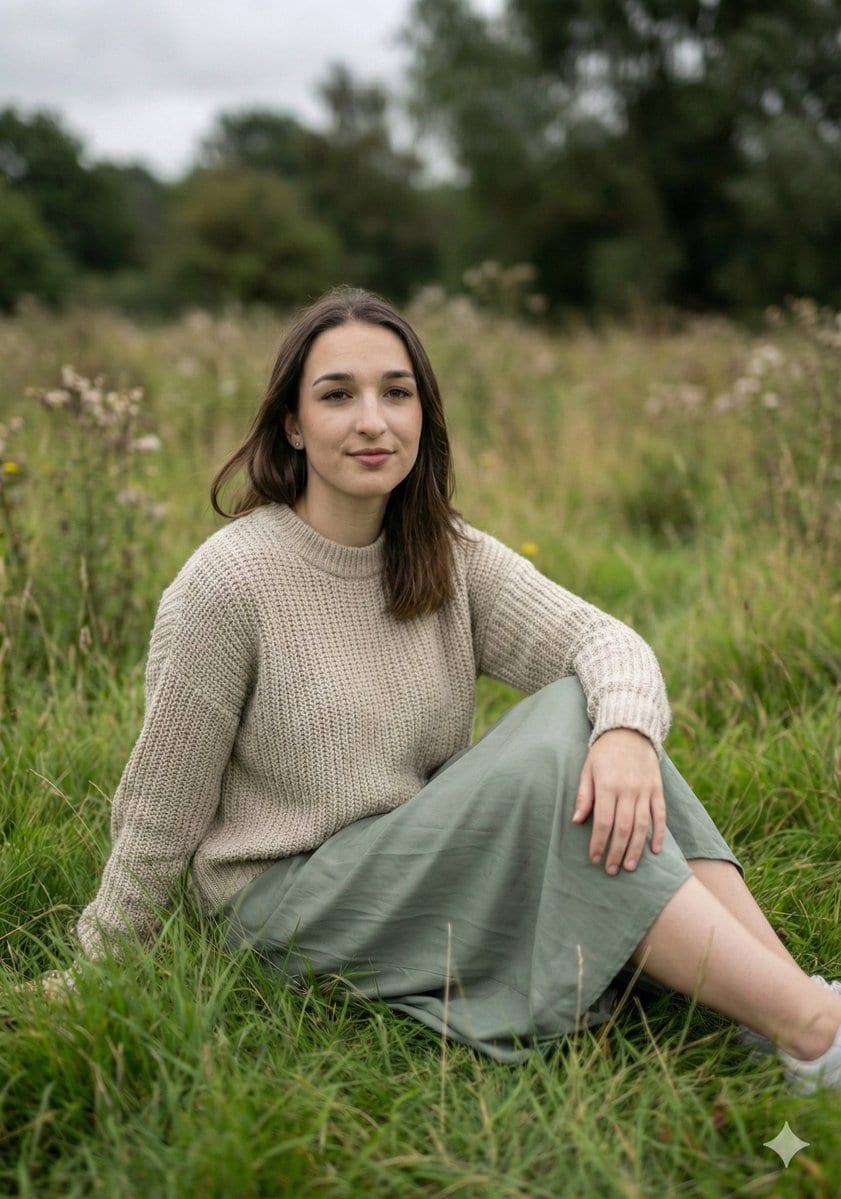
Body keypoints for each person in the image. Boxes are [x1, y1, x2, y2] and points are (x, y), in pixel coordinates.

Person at [71, 287, 840, 1093]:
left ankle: (791, 1012)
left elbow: (606, 642)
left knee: (599, 718)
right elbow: (163, 800)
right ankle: (811, 1029)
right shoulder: (228, 582)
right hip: (288, 903)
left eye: (395, 393)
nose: (372, 420)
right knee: (557, 749)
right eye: (337, 395)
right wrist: (103, 955)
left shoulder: (444, 553)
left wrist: (625, 735)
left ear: (422, 415)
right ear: (293, 425)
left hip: (412, 852)